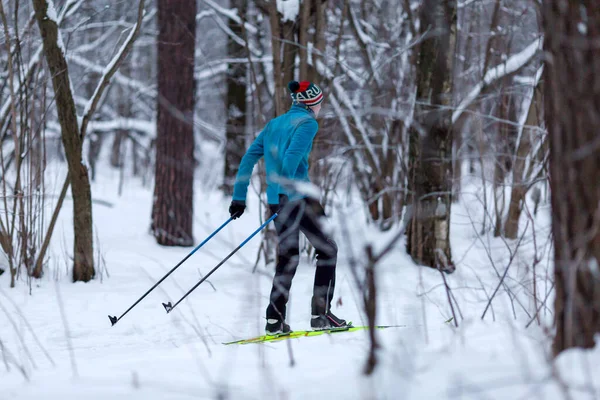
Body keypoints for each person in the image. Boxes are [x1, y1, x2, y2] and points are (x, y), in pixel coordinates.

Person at [228, 80, 348, 335]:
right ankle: (321, 315)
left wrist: (239, 197)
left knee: (288, 256)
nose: (320, 108)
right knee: (328, 249)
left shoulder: (274, 124)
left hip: (276, 200)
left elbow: (249, 158)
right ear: (311, 103)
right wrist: (285, 193)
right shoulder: (307, 124)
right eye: (319, 103)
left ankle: (274, 320)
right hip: (297, 198)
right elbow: (291, 159)